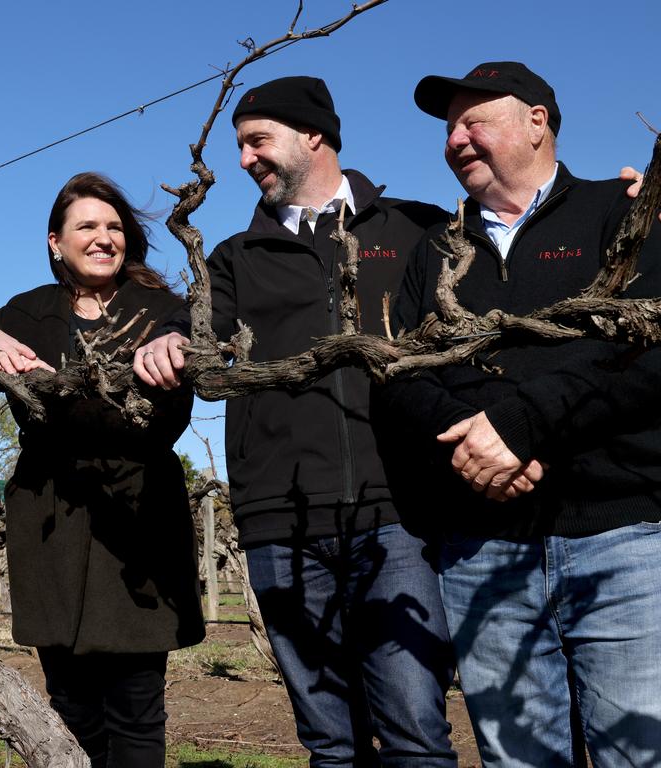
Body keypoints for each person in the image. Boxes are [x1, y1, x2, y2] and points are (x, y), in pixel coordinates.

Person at [134, 76, 458, 766]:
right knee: (330, 744)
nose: (246, 158)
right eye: (240, 145)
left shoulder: (416, 228)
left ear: (314, 135)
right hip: (282, 520)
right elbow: (194, 319)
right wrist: (167, 334)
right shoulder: (234, 257)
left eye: (258, 140)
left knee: (417, 735)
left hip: (398, 513)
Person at [376, 61, 661, 767]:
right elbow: (398, 376)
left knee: (639, 754)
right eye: (449, 130)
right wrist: (475, 450)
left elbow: (647, 355)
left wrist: (519, 427)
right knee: (519, 760)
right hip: (482, 548)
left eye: (474, 121)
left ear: (538, 121)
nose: (456, 139)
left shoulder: (622, 213)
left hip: (620, 538)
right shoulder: (437, 252)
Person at [0, 171, 204, 768]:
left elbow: (183, 380)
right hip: (51, 515)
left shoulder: (163, 311)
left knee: (135, 707)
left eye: (114, 227)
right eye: (87, 227)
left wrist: (171, 347)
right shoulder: (31, 312)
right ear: (56, 242)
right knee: (71, 707)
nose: (104, 237)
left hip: (138, 518)